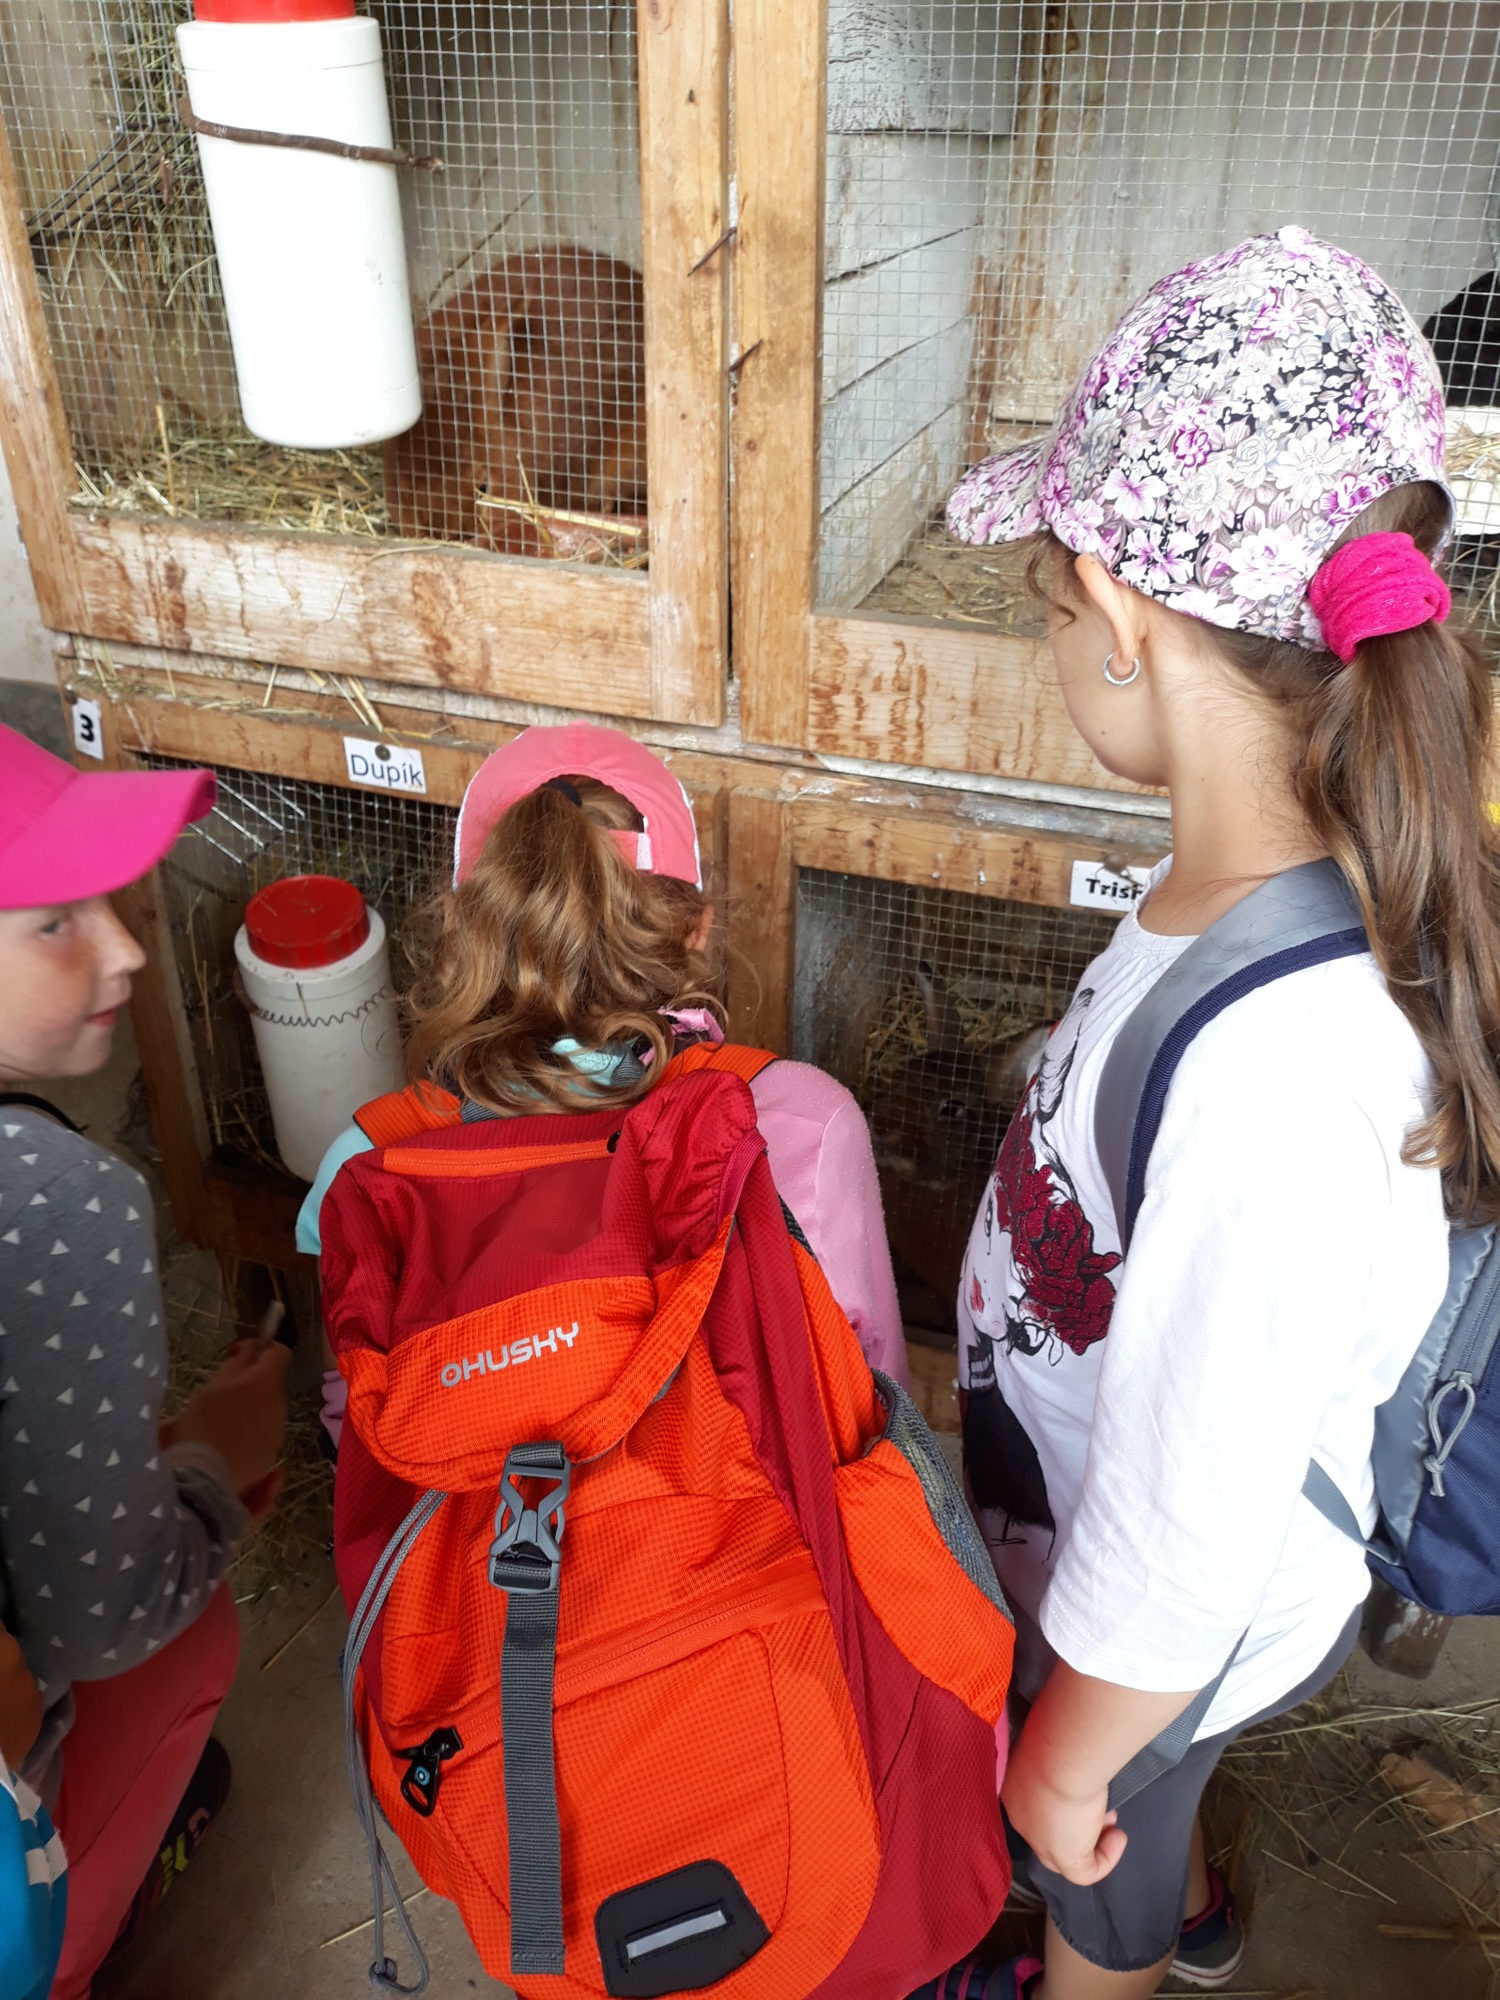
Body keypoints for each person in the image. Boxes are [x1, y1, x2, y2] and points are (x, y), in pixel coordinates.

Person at [920, 225, 1482, 2000]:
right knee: (1137, 1817)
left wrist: (1064, 1762)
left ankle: (1124, 1946)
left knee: (1095, 1882)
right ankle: (1177, 1886)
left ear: (1119, 616)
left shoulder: (1289, 1073)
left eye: (1046, 606)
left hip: (1153, 1644)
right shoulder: (1246, 889)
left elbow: (1184, 1543)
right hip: (1112, 1578)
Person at [296, 720, 908, 1391]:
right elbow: (875, 1397)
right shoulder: (800, 1121)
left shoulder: (365, 1162)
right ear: (698, 930)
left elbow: (349, 1417)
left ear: (455, 925)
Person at [0, 721, 291, 1997]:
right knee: (193, 1626)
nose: (124, 946)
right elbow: (101, 1617)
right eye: (52, 921)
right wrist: (217, 1459)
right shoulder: (52, 1197)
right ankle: (62, 1934)